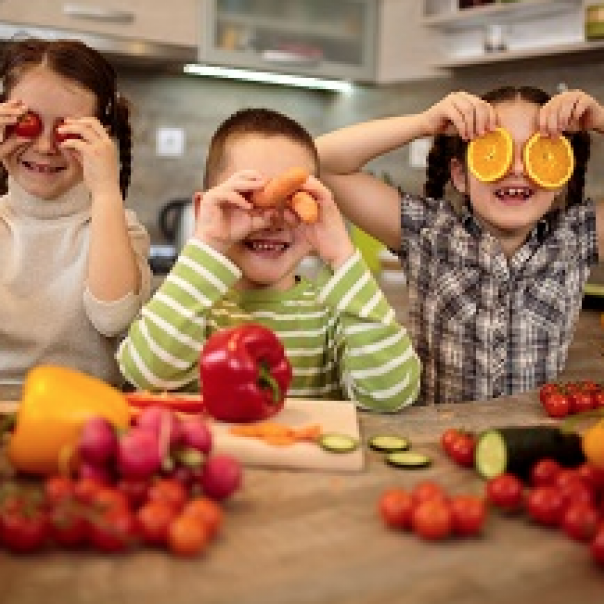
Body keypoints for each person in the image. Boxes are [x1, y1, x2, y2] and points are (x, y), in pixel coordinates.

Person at [118, 107, 421, 412]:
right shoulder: (192, 308)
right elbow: (146, 372)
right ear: (205, 210)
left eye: (292, 200)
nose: (273, 220)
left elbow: (392, 394)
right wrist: (208, 241)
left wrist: (342, 255)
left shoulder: (336, 312)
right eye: (249, 197)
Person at [316, 86, 604, 405]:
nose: (518, 169)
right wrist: (423, 124)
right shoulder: (426, 231)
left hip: (530, 439)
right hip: (439, 436)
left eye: (538, 153)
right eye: (496, 151)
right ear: (461, 175)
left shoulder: (578, 236)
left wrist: (600, 119)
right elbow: (321, 161)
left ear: (560, 172)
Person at [0, 38, 151, 387]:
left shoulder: (119, 228)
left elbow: (113, 318)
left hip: (86, 416)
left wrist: (106, 190)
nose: (44, 147)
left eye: (68, 131)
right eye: (28, 123)